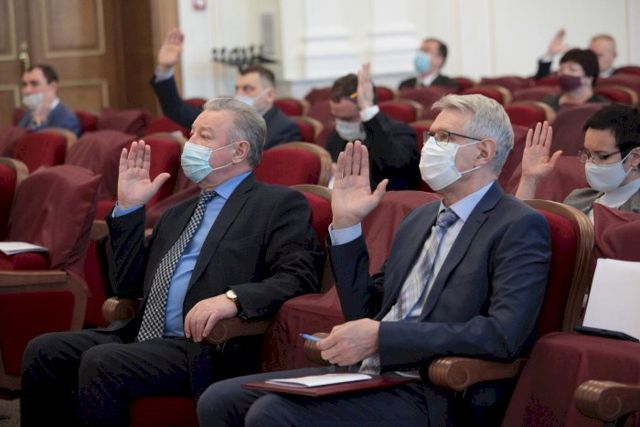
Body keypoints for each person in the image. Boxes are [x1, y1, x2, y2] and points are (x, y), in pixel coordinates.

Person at [197, 94, 552, 427]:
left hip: (435, 388)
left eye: (444, 137)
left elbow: (503, 334)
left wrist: (384, 336)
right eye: (430, 136)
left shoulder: (518, 224)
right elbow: (365, 310)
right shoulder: (420, 218)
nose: (429, 146)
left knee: (272, 413)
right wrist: (347, 226)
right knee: (220, 399)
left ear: (483, 152)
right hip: (372, 372)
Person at [20, 98, 324, 426]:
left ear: (239, 151)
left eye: (204, 136)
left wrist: (233, 299)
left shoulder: (277, 204)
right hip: (141, 335)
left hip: (206, 346)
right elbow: (126, 285)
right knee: (44, 350)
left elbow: (298, 277)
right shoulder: (177, 212)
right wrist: (129, 209)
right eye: (191, 134)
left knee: (102, 361)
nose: (190, 144)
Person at [151, 28, 300, 149]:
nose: (239, 94)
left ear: (269, 95)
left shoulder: (284, 129)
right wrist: (165, 68)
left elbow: (271, 169)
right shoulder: (223, 116)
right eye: (237, 88)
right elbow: (176, 109)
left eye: (248, 89)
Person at [516, 104, 640, 216]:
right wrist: (529, 179)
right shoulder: (578, 199)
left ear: (635, 157)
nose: (591, 164)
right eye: (588, 154)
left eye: (602, 156)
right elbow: (521, 229)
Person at [326, 64, 420, 191]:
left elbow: (394, 164)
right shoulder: (336, 135)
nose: (340, 123)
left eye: (347, 119)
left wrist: (368, 110)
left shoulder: (400, 132)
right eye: (336, 116)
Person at [18, 64, 81, 136]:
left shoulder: (66, 119)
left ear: (53, 87)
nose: (26, 91)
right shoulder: (30, 113)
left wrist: (38, 121)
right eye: (24, 85)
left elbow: (38, 142)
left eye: (34, 84)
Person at [540, 48, 608, 112]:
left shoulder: (602, 108)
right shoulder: (547, 103)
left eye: (572, 69)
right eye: (561, 70)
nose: (564, 73)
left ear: (589, 78)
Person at [535, 30, 619, 80]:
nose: (593, 59)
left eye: (598, 55)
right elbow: (542, 82)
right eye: (590, 54)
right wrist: (550, 54)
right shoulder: (576, 75)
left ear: (614, 55)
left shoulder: (621, 78)